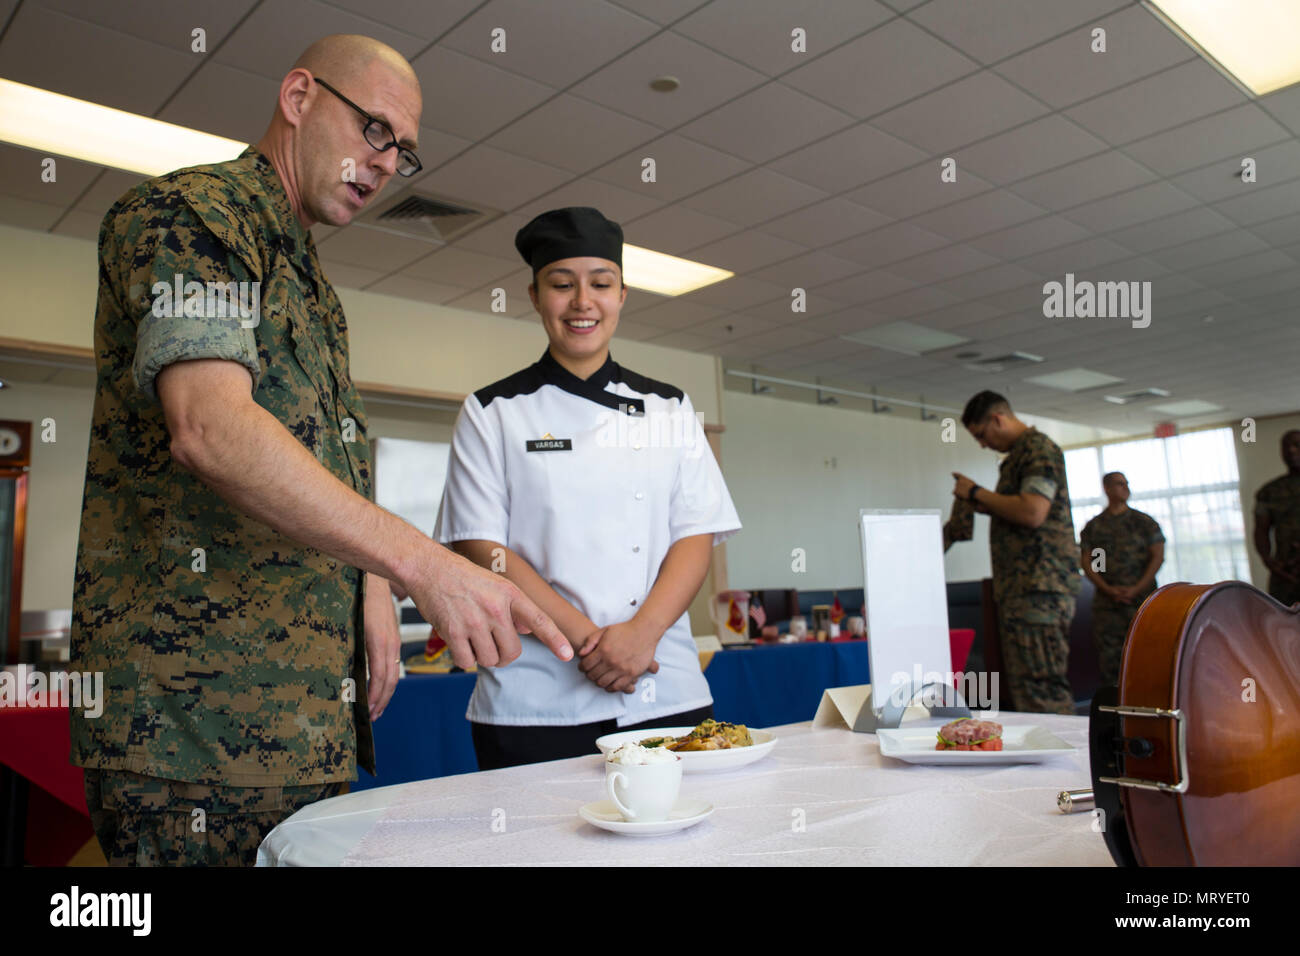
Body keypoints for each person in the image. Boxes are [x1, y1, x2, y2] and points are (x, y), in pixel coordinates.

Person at [69, 35, 568, 867]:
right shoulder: (197, 215)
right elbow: (212, 429)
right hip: (192, 724)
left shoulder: (313, 288)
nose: (383, 164)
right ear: (299, 97)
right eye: (374, 129)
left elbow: (327, 456)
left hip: (298, 721)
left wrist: (371, 580)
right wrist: (422, 565)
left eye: (401, 152)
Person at [435, 206, 742, 770]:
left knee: (675, 852)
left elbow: (695, 536)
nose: (582, 302)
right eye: (561, 284)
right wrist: (590, 641)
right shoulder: (493, 411)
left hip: (661, 687)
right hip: (535, 698)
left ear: (622, 294)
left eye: (600, 284)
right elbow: (484, 547)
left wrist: (641, 636)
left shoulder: (668, 407)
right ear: (534, 296)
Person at [952, 391, 1080, 715]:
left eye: (982, 435)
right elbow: (1019, 511)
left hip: (1040, 590)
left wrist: (978, 492)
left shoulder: (1039, 449)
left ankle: (1069, 763)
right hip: (1022, 591)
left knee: (1043, 690)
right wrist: (984, 504)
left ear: (998, 419)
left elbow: (1033, 512)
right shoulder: (1018, 456)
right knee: (1027, 690)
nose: (983, 444)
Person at [1079, 472, 1165, 686]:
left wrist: (1137, 588)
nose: (1126, 488)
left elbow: (1158, 556)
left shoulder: (1143, 522)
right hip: (1108, 605)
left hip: (1142, 600)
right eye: (1119, 484)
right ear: (1107, 488)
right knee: (1112, 663)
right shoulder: (1095, 527)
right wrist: (1108, 589)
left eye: (1127, 484)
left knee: (1148, 654)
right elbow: (1089, 563)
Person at [1254, 429, 1300, 607]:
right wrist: (1270, 562)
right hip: (1286, 573)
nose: (1291, 451)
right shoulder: (1270, 491)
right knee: (1282, 626)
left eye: (1297, 445)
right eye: (1286, 446)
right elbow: (1260, 531)